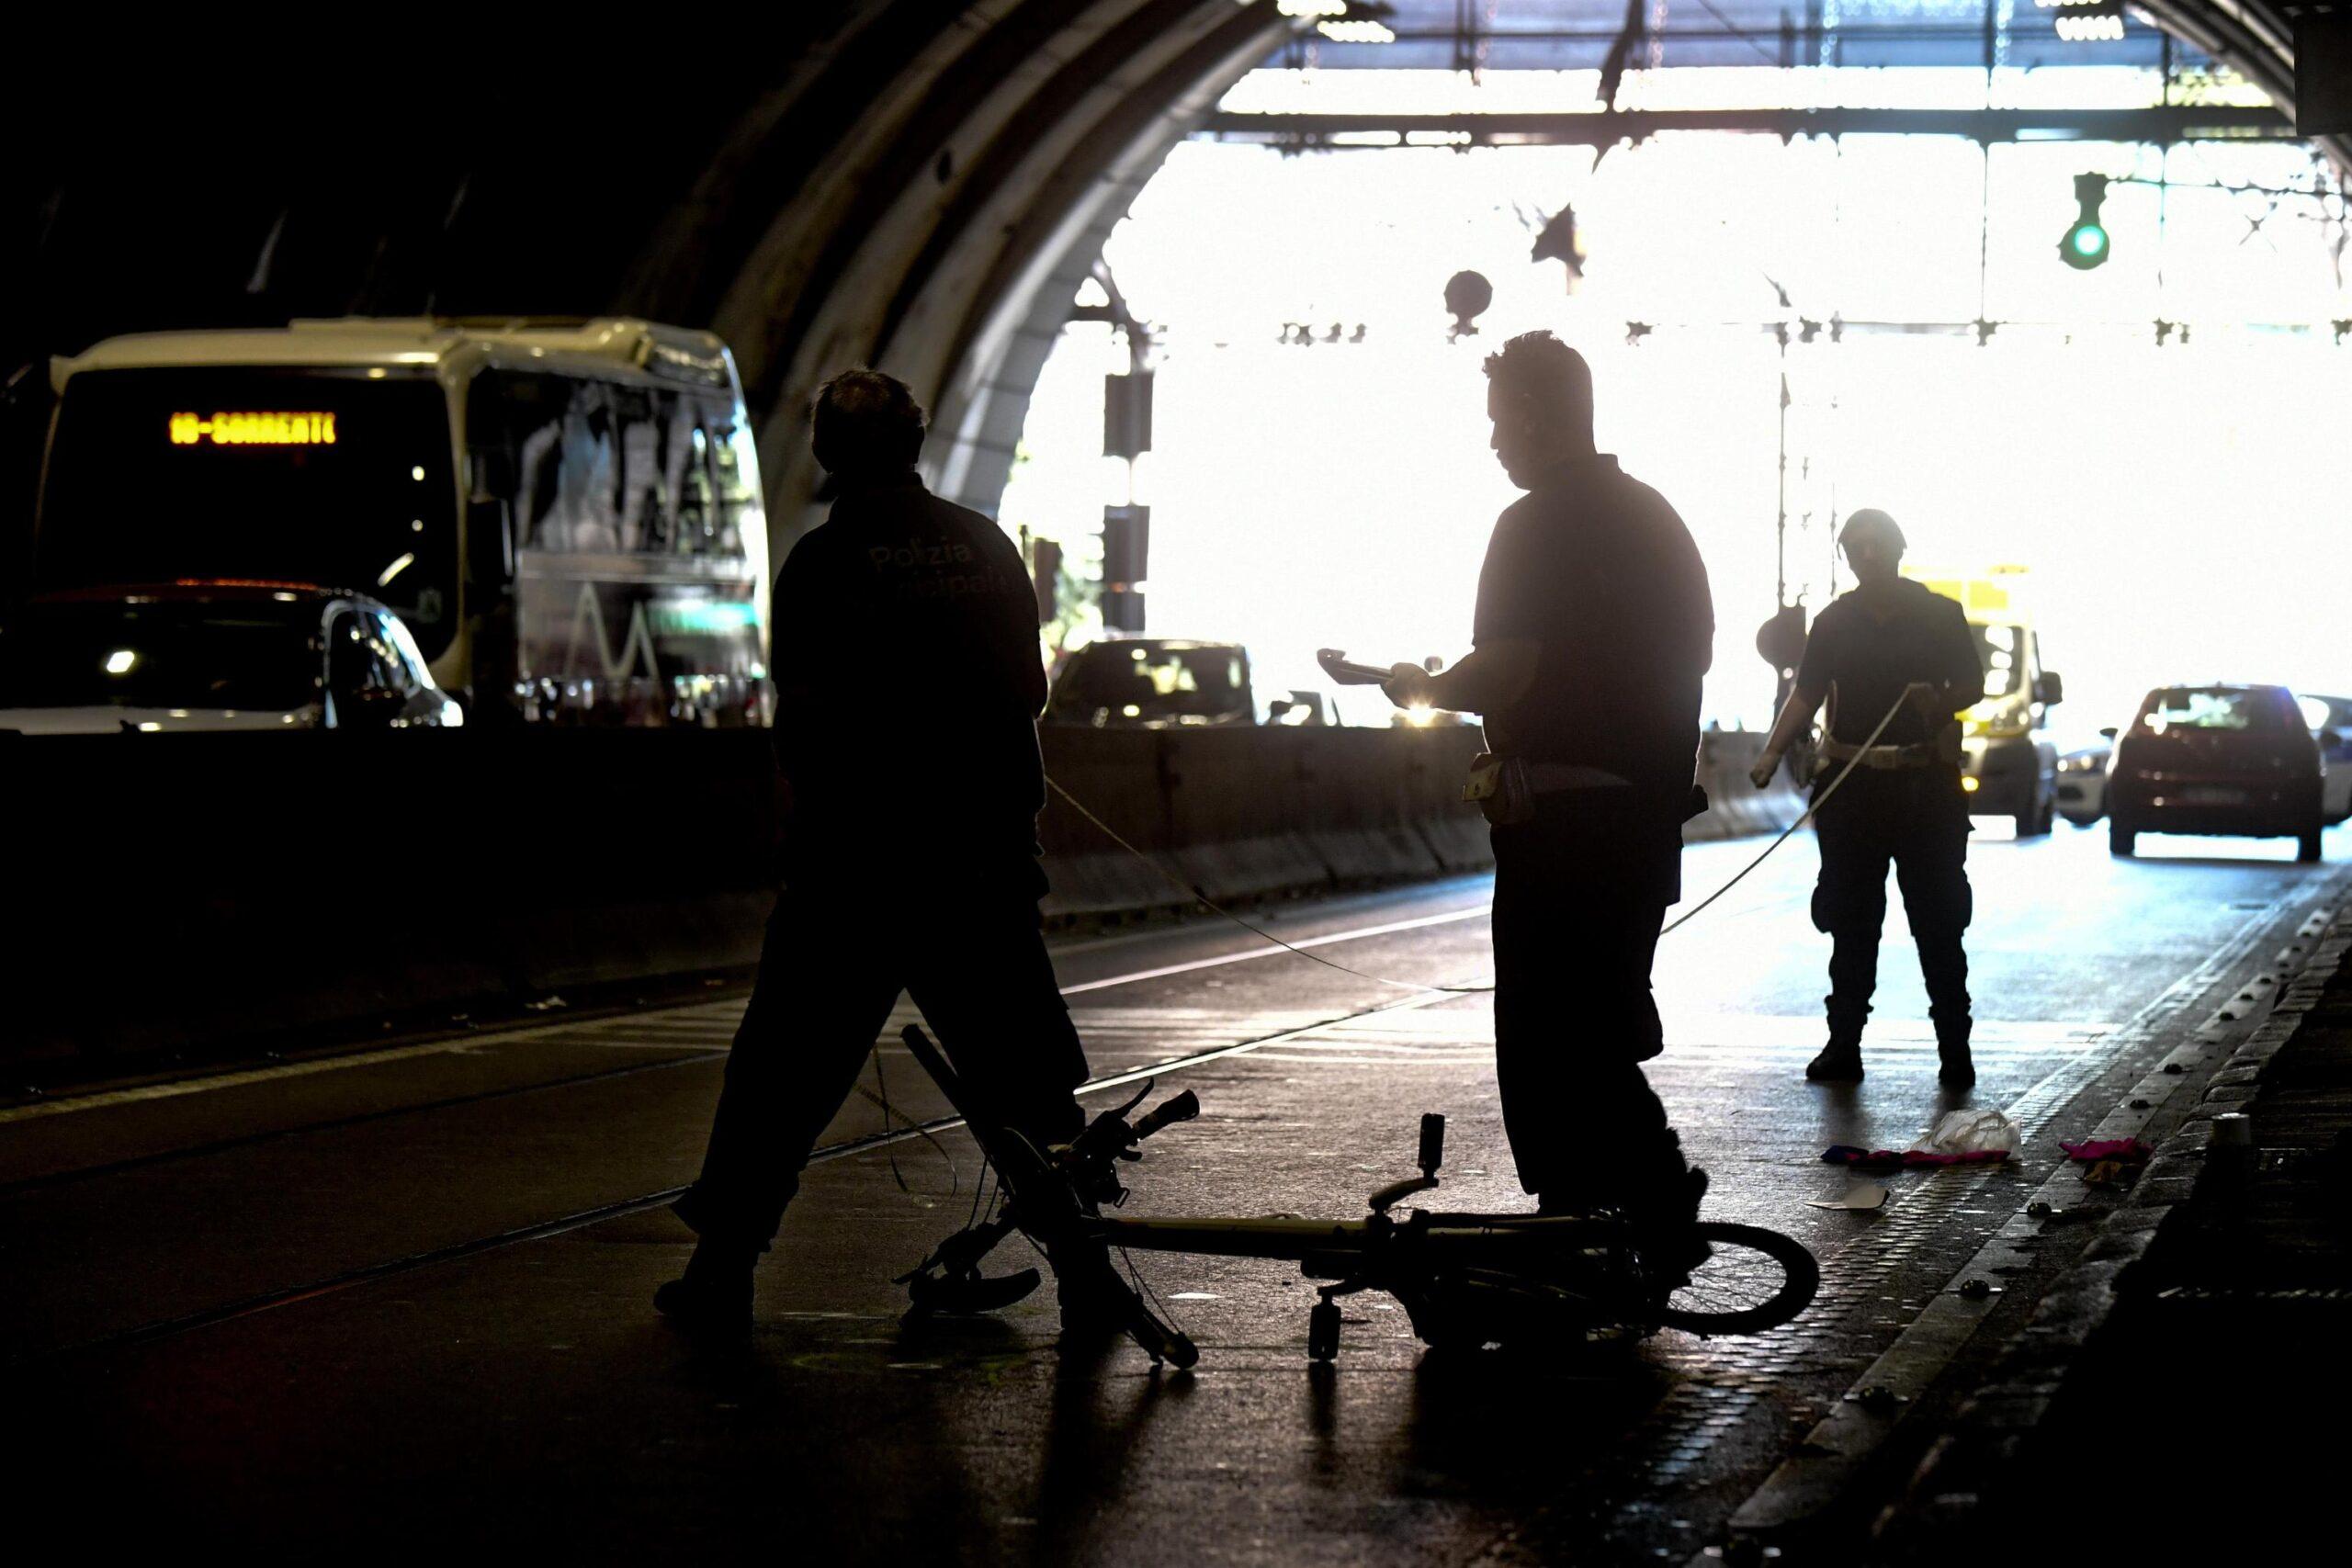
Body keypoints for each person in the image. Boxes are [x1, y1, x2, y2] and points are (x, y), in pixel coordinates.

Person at [656, 369, 1120, 1335]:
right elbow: (1026, 694)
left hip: (854, 871)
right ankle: (1086, 1273)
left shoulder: (823, 562)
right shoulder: (987, 549)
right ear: (916, 441)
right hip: (980, 861)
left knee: (782, 1074)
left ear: (825, 453)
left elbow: (809, 724)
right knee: (1022, 1082)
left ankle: (722, 1271)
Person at [1382, 331, 1713, 1269]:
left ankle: (1630, 1209)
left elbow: (1509, 668)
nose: (1494, 444)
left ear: (1530, 415)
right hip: (1645, 821)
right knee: (1600, 1027)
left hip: (1563, 827)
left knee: (1550, 1039)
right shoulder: (1657, 518)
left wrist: (1425, 684)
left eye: (1498, 422)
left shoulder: (1530, 525)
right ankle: (1621, 1222)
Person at [1747, 510, 1984, 1087]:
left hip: (1924, 789)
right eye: (1856, 548)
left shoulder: (1940, 614)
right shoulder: (1833, 623)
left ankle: (1956, 1052)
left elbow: (1972, 685)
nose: (1867, 557)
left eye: (1875, 547)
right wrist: (1771, 752)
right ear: (1847, 556)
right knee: (1852, 923)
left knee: (1938, 922)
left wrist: (1941, 701)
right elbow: (1804, 696)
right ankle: (1843, 1046)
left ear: (1899, 550)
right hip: (1852, 789)